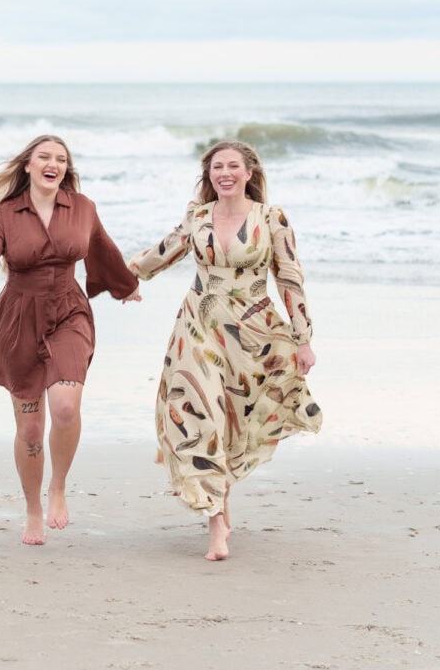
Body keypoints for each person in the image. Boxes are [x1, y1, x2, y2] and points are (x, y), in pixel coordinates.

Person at [0, 134, 140, 546]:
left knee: (64, 407)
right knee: (29, 430)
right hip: (19, 318)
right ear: (27, 165)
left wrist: (124, 285)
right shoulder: (3, 214)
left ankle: (57, 487)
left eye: (61, 159)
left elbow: (102, 248)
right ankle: (33, 509)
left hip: (69, 312)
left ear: (66, 168)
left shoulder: (82, 208)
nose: (53, 163)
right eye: (44, 156)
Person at [127, 140, 322, 562]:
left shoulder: (272, 218)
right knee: (200, 415)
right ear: (209, 174)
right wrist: (122, 277)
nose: (225, 173)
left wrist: (303, 338)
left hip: (253, 334)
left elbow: (290, 279)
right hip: (197, 328)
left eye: (233, 166)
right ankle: (215, 523)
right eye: (218, 167)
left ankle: (221, 501)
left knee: (234, 422)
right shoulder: (198, 216)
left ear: (249, 173)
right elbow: (161, 254)